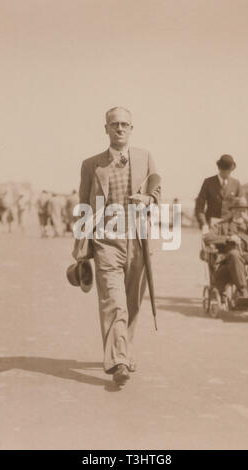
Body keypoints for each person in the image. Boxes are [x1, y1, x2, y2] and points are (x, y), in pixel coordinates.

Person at [72, 107, 161, 386]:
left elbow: (157, 188)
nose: (120, 128)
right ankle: (118, 360)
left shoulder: (145, 157)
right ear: (106, 129)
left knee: (132, 300)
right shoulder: (91, 164)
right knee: (113, 300)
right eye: (114, 124)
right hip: (106, 241)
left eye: (124, 124)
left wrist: (148, 199)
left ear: (132, 128)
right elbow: (84, 205)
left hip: (139, 240)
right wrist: (81, 249)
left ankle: (124, 347)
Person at [204, 197, 248, 298]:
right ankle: (242, 290)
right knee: (234, 253)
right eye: (239, 210)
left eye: (244, 210)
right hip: (232, 261)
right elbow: (207, 238)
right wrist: (228, 238)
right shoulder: (222, 225)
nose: (242, 213)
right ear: (232, 211)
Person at [195, 154, 242, 233]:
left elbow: (242, 206)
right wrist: (204, 224)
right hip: (211, 225)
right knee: (211, 244)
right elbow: (199, 206)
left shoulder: (236, 184)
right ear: (219, 168)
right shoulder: (208, 182)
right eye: (224, 170)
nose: (227, 173)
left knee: (233, 244)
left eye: (229, 170)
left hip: (230, 226)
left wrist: (239, 219)